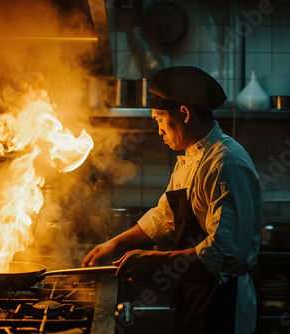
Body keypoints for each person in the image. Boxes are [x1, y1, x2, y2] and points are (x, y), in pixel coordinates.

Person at [82, 66, 262, 334]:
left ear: (184, 114)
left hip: (223, 301)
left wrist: (156, 261)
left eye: (158, 120)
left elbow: (224, 255)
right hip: (194, 294)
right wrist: (115, 243)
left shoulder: (225, 162)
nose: (159, 131)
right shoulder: (191, 158)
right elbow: (164, 217)